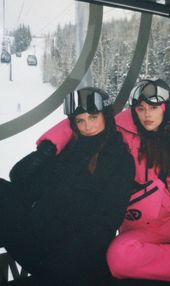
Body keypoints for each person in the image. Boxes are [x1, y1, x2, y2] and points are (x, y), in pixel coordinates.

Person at [36, 79, 170, 286]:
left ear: (165, 110)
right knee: (118, 258)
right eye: (141, 108)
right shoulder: (120, 127)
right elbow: (83, 117)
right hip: (139, 227)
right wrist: (48, 146)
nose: (147, 114)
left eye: (154, 108)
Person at [0, 87, 135, 286]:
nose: (88, 126)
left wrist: (65, 259)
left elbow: (107, 220)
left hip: (78, 259)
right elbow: (20, 180)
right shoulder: (70, 150)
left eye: (93, 117)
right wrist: (45, 151)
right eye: (80, 120)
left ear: (105, 116)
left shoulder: (120, 159)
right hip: (42, 242)